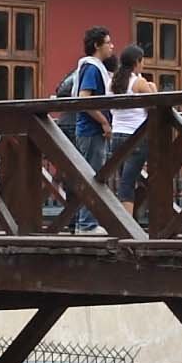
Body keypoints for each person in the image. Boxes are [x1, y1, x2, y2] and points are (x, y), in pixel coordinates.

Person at [52, 25, 113, 226]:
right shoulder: (92, 67)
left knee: (90, 176)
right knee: (93, 178)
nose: (112, 47)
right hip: (90, 130)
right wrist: (104, 121)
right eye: (108, 43)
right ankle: (87, 224)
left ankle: (82, 222)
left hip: (87, 129)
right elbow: (84, 98)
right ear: (97, 45)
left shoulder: (87, 67)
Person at [104, 48, 156, 211]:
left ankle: (127, 221)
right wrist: (153, 88)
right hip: (136, 136)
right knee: (128, 183)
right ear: (136, 62)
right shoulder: (139, 83)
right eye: (142, 61)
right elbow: (154, 107)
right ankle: (127, 227)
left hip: (117, 135)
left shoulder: (112, 82)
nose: (144, 65)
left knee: (124, 180)